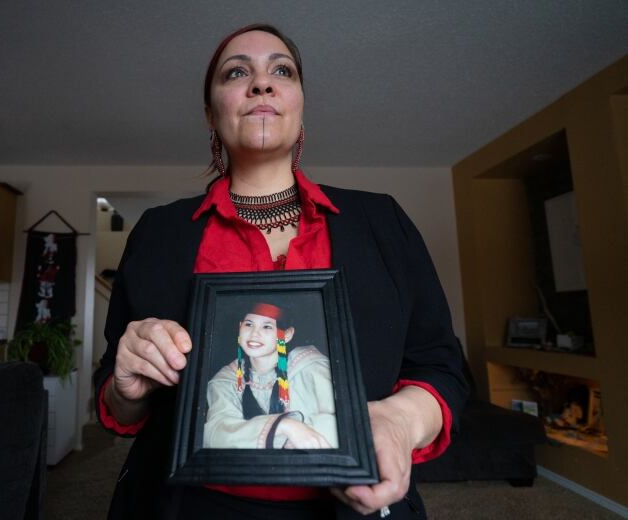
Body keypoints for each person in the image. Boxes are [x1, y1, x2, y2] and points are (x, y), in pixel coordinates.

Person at [93, 23, 469, 519]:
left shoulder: (382, 222)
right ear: (211, 113)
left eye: (281, 71)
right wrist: (127, 389)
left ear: (299, 104)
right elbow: (118, 398)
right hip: (182, 505)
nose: (261, 83)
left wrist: (399, 420)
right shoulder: (157, 233)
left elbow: (440, 365)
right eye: (237, 72)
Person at [203, 302, 337, 449]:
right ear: (240, 327)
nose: (254, 333)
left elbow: (339, 421)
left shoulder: (309, 367)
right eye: (248, 324)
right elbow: (217, 434)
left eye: (267, 326)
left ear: (287, 335)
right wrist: (284, 426)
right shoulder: (227, 380)